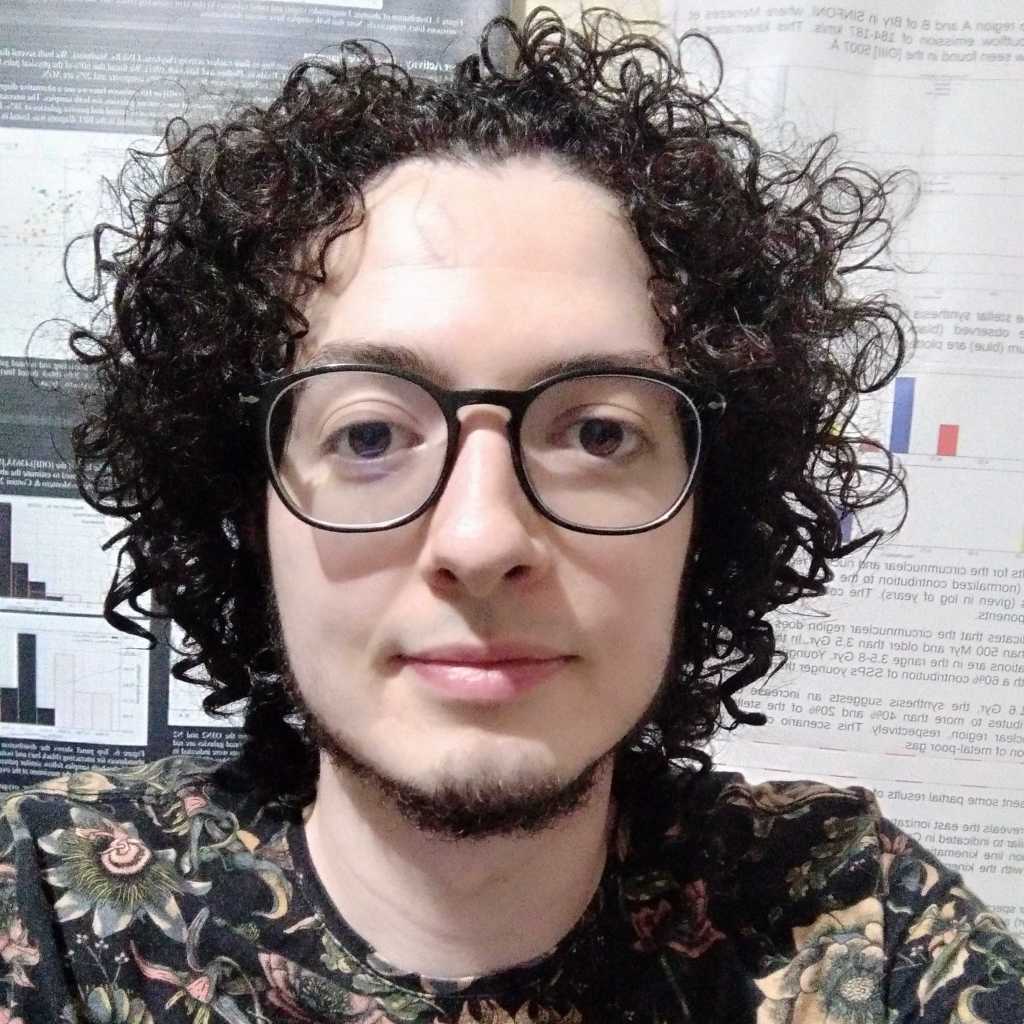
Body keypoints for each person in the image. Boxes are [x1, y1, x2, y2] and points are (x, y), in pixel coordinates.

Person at [2, 9, 1021, 1023]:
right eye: (369, 434)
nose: (482, 540)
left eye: (600, 435)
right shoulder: (46, 911)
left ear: (705, 520)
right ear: (250, 511)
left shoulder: (859, 922)